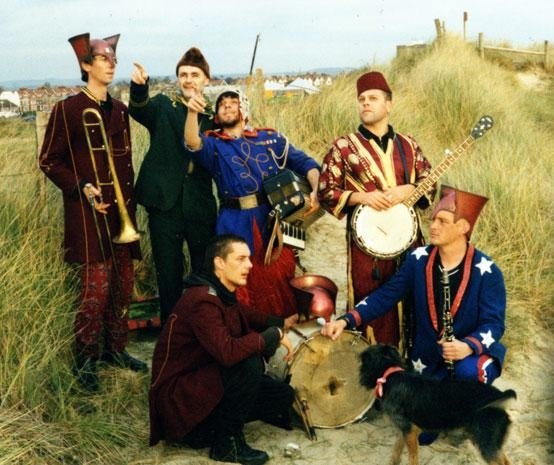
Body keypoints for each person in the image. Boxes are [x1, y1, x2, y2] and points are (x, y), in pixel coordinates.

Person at [39, 33, 146, 391]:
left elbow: (125, 164)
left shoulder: (120, 111)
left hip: (121, 214)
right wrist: (81, 185)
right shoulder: (68, 109)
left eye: (113, 59)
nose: (111, 64)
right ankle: (85, 360)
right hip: (88, 215)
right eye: (102, 59)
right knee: (94, 293)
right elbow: (48, 160)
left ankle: (116, 349)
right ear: (86, 65)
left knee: (122, 286)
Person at [322, 185, 507, 386]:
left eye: (442, 221)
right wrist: (346, 321)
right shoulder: (418, 260)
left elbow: (494, 324)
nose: (433, 226)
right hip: (426, 356)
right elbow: (386, 296)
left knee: (470, 373)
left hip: (470, 355)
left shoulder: (488, 272)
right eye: (433, 220)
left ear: (463, 227)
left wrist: (468, 346)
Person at [149, 234, 296, 465]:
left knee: (282, 396)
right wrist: (272, 336)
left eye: (249, 258)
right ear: (219, 263)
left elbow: (244, 313)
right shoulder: (202, 300)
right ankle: (227, 445)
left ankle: (218, 427)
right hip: (180, 406)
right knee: (248, 364)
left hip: (201, 388)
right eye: (241, 259)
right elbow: (227, 353)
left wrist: (280, 323)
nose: (250, 265)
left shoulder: (220, 292)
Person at [318, 71, 434, 347]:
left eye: (372, 98)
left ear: (389, 104)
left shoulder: (408, 144)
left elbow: (430, 180)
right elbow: (325, 190)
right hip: (367, 245)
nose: (365, 103)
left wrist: (410, 189)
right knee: (372, 300)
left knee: (415, 295)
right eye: (361, 99)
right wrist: (362, 197)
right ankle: (376, 363)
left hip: (408, 237)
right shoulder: (343, 147)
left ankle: (413, 362)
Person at [184, 87, 320, 318]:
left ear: (244, 110)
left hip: (271, 218)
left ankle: (282, 327)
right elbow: (192, 142)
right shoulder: (213, 144)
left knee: (278, 275)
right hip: (233, 221)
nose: (227, 106)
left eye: (233, 102)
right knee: (236, 280)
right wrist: (192, 113)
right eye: (221, 104)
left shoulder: (269, 139)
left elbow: (307, 164)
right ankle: (246, 332)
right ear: (216, 116)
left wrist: (315, 190)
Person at [130, 47, 217, 325]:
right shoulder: (164, 105)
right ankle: (170, 334)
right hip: (164, 204)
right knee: (168, 273)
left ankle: (202, 328)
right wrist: (139, 87)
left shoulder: (214, 116)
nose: (188, 80)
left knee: (203, 271)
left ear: (206, 80)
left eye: (195, 75)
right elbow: (139, 110)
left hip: (199, 204)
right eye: (183, 75)